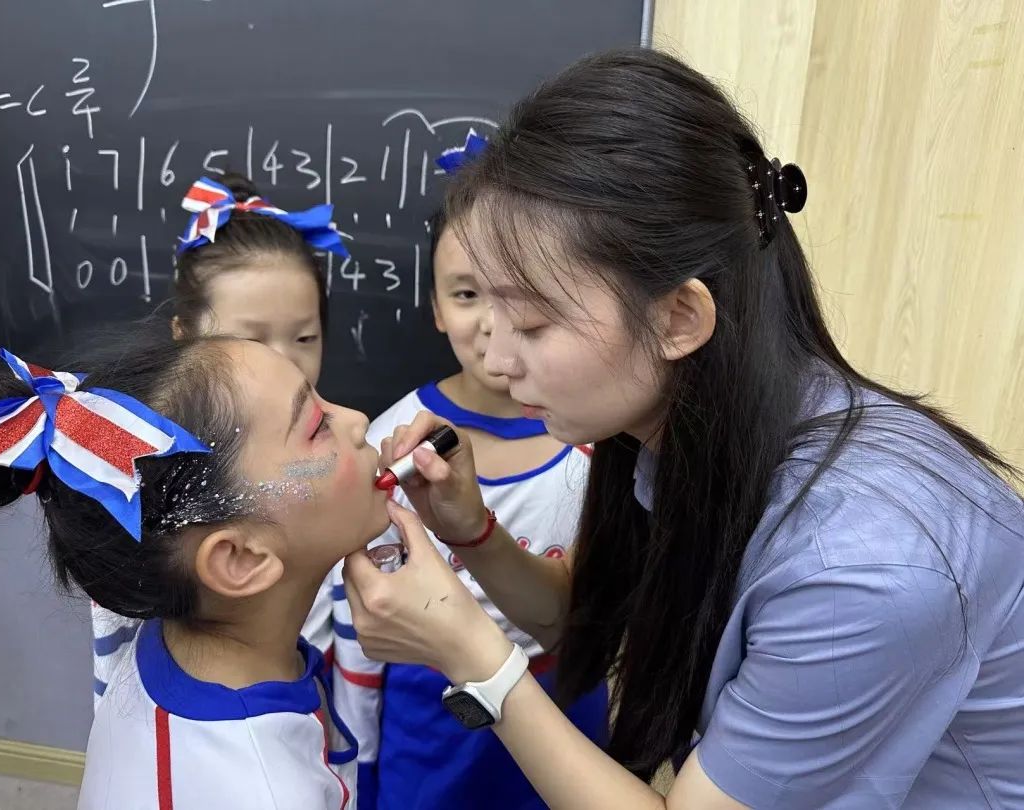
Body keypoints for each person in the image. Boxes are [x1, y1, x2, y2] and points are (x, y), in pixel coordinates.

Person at [342, 48, 1024, 809]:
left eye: (531, 323)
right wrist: (474, 534)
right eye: (484, 310)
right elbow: (582, 618)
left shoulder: (868, 565)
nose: (498, 360)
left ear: (679, 318)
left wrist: (470, 656)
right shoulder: (677, 432)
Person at [0, 334, 380, 809]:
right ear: (239, 559)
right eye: (318, 427)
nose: (358, 422)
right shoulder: (267, 793)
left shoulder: (170, 648)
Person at [333, 193, 607, 810]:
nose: (494, 323)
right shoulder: (390, 439)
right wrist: (362, 762)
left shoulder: (599, 438)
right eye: (466, 294)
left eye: (519, 295)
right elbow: (359, 615)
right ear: (434, 308)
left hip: (563, 699)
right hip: (430, 712)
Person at [92, 173, 344, 703]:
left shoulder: (334, 457)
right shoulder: (143, 489)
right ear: (184, 336)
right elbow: (116, 668)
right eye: (249, 340)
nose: (284, 362)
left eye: (305, 337)